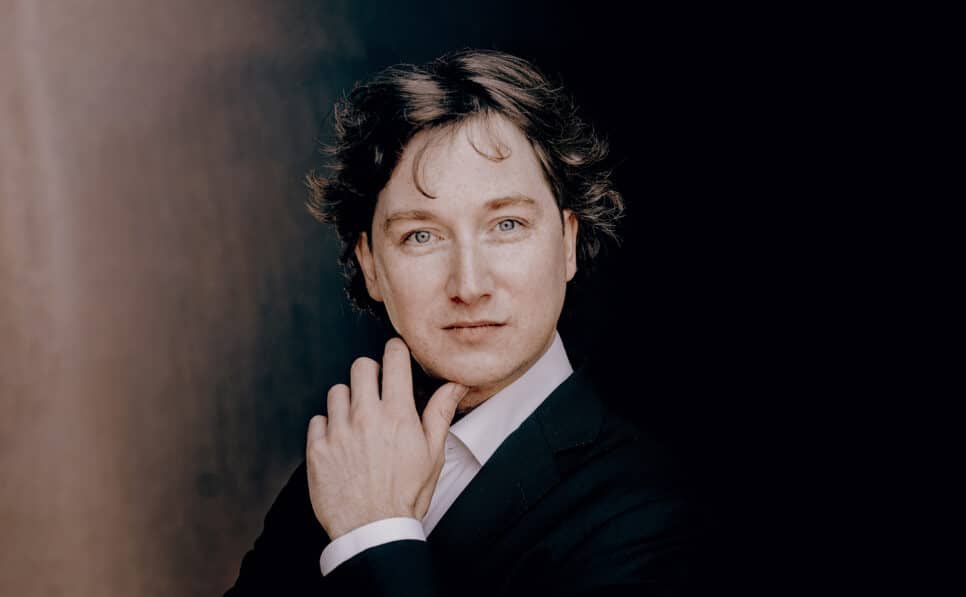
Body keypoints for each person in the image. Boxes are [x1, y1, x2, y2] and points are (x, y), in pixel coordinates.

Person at [223, 48, 694, 597]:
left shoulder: (649, 513)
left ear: (567, 242)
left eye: (507, 224)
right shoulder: (344, 457)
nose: (469, 285)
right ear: (371, 266)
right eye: (421, 235)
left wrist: (376, 536)